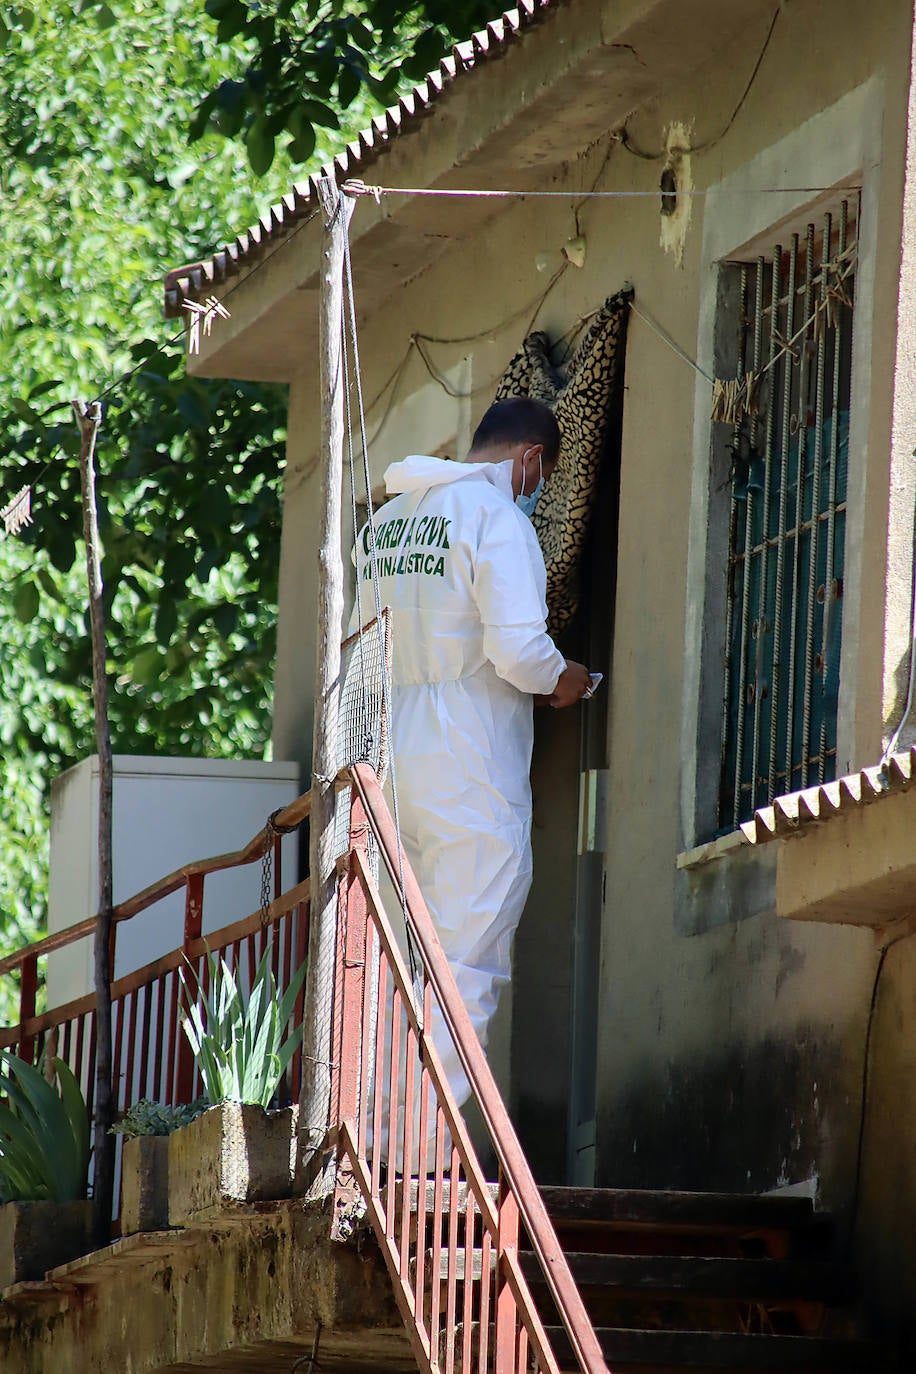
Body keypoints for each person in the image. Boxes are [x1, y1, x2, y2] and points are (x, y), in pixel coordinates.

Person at [353, 396, 592, 1122]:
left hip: (389, 749)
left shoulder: (388, 524)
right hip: (468, 758)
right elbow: (519, 653)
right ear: (529, 460)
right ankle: (421, 1157)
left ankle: (370, 1133)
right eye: (543, 473)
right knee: (465, 959)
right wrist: (566, 679)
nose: (538, 486)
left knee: (397, 954)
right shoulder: (499, 522)